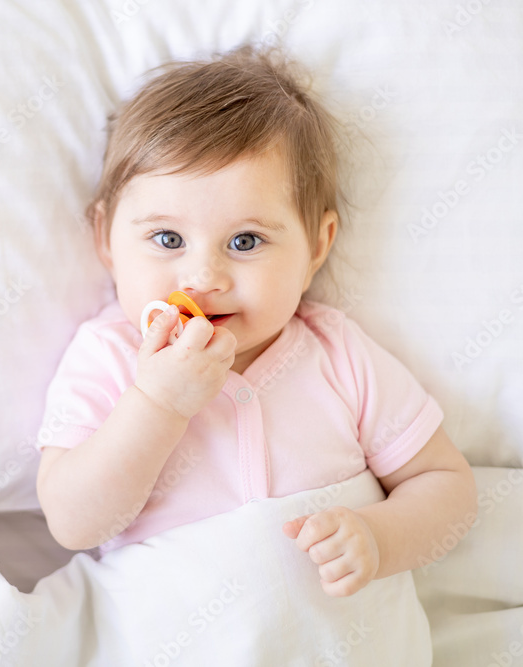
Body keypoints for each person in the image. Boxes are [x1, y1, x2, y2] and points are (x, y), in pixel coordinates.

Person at [35, 44, 477, 598]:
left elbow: (448, 487)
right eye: (167, 238)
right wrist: (156, 404)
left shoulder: (337, 355)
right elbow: (73, 523)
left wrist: (379, 536)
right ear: (106, 239)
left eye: (246, 241)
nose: (202, 276)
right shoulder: (108, 357)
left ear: (317, 246)